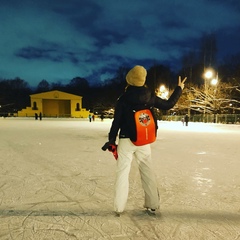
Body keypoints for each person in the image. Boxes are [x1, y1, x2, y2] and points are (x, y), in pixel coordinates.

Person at [102, 65, 186, 216]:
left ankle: (119, 207)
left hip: (126, 140)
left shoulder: (123, 99)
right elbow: (168, 105)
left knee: (122, 173)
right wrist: (179, 89)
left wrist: (111, 140)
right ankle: (153, 204)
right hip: (144, 140)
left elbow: (117, 122)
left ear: (129, 79)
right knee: (147, 172)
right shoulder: (150, 96)